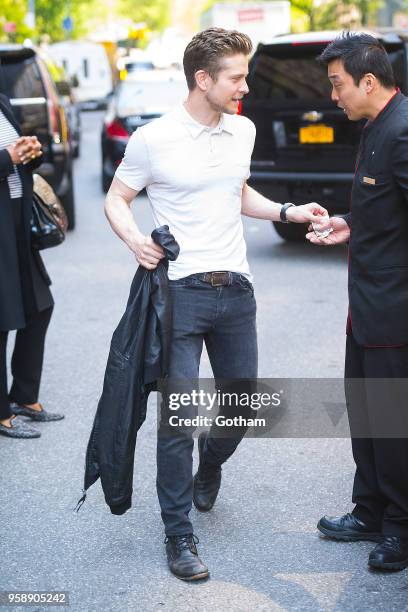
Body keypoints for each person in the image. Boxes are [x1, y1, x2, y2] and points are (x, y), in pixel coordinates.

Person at [105, 27, 327, 581]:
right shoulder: (153, 139)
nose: (244, 87)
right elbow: (117, 196)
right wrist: (135, 240)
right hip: (179, 292)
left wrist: (286, 212)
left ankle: (211, 463)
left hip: (237, 292)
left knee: (242, 405)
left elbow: (237, 190)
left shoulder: (243, 129)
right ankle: (178, 533)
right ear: (203, 79)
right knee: (178, 419)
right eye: (236, 77)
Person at [306, 32, 408, 571]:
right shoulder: (374, 127)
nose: (334, 96)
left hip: (395, 311)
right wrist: (349, 224)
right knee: (367, 415)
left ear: (369, 81)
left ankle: (399, 527)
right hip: (364, 307)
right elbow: (387, 209)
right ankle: (369, 510)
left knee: (393, 422)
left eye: (338, 84)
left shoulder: (404, 129)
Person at [0, 93, 64, 439]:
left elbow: (16, 164)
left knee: (40, 305)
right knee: (1, 319)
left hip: (16, 223)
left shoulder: (1, 102)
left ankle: (23, 397)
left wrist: (28, 153)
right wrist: (7, 156)